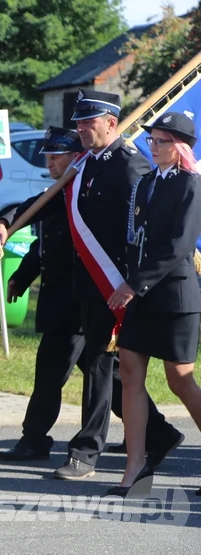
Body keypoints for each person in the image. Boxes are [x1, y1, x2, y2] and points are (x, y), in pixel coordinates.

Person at [0, 91, 184, 479]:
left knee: (100, 368)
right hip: (84, 286)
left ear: (111, 123)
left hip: (112, 286)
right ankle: (158, 433)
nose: (81, 129)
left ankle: (85, 452)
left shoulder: (129, 165)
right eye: (79, 123)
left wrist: (132, 285)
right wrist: (10, 219)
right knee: (102, 369)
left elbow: (139, 232)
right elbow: (48, 202)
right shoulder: (86, 165)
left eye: (89, 123)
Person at [106, 112, 201, 496]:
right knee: (129, 373)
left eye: (160, 141)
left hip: (175, 295)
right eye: (151, 140)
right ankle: (136, 468)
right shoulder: (144, 183)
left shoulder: (191, 186)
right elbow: (134, 237)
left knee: (179, 380)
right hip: (141, 294)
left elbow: (179, 246)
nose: (153, 146)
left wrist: (133, 284)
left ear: (179, 147)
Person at [0, 127, 88, 461]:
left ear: (76, 157)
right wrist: (21, 276)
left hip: (78, 304)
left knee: (50, 371)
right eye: (46, 156)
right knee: (111, 378)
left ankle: (34, 439)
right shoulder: (59, 194)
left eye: (55, 156)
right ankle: (156, 431)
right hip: (60, 303)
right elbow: (41, 237)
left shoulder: (84, 194)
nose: (48, 163)